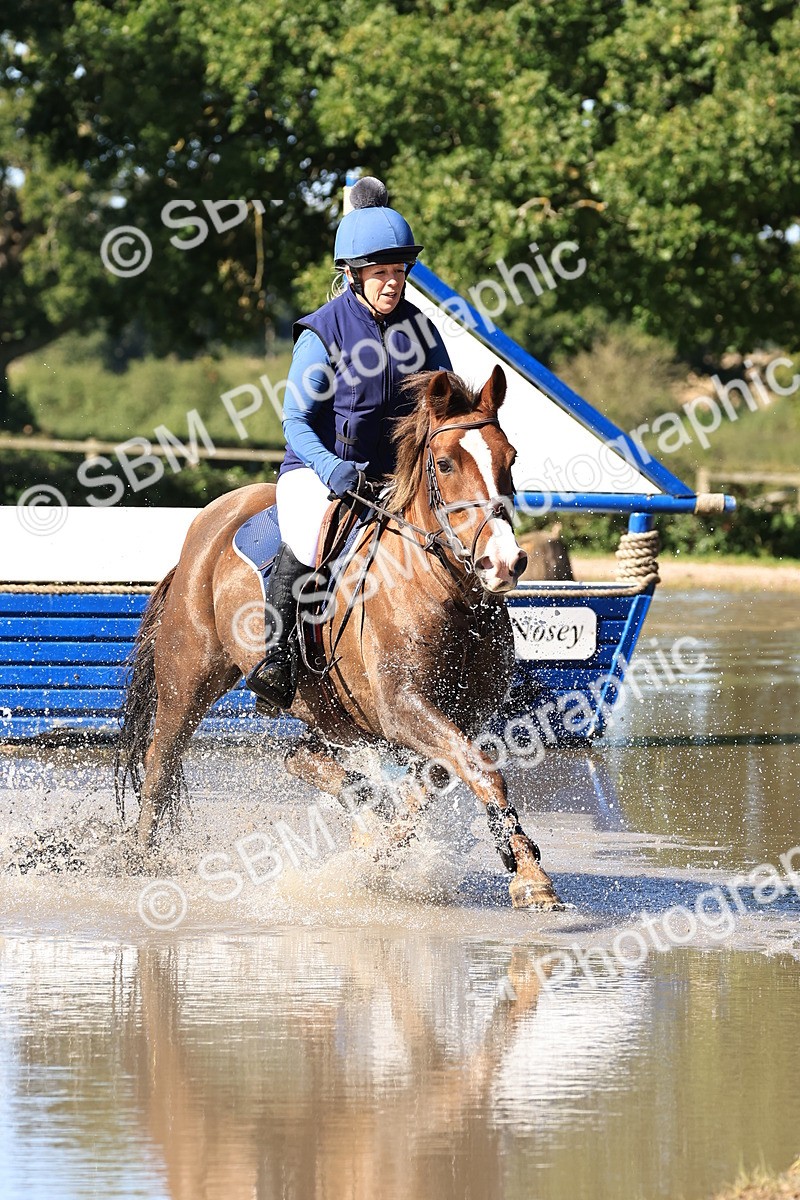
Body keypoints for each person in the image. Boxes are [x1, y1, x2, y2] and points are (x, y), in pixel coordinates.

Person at [246, 177, 452, 708]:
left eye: (399, 273)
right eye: (380, 274)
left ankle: (493, 658)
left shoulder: (422, 332)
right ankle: (278, 656)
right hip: (320, 470)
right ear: (354, 276)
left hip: (395, 478)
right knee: (305, 538)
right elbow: (295, 421)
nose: (392, 284)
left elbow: (446, 407)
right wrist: (329, 467)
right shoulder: (323, 333)